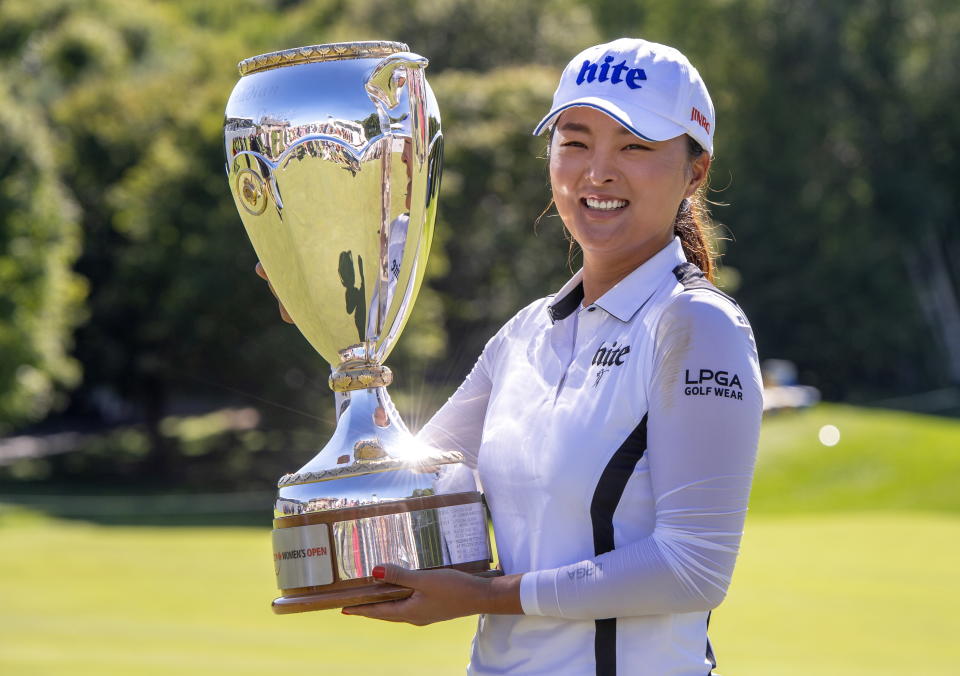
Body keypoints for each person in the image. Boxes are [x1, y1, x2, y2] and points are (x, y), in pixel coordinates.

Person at [264, 38, 762, 676]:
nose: (598, 172)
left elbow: (693, 568)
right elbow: (407, 487)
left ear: (694, 171)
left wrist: (489, 596)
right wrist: (340, 330)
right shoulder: (527, 333)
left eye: (635, 146)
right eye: (575, 141)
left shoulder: (695, 324)